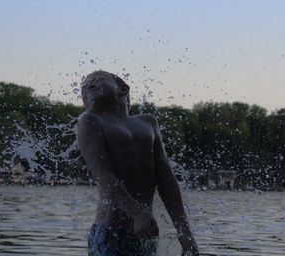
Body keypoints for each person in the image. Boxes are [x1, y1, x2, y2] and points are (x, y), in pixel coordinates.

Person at [77, 70, 199, 256]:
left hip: (145, 235)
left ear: (123, 88)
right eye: (84, 87)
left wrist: (185, 234)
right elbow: (103, 176)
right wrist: (137, 213)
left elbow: (166, 180)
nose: (88, 87)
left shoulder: (148, 123)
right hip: (111, 233)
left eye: (95, 81)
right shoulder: (90, 121)